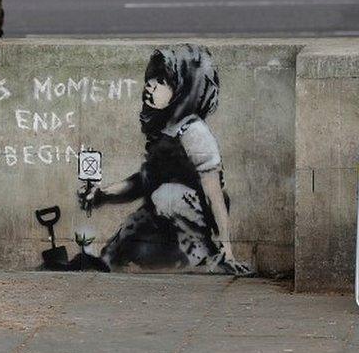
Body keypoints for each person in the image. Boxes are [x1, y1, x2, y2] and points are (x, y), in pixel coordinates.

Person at [78, 44, 254, 276]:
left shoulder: (194, 133)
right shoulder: (166, 132)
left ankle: (204, 256)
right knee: (127, 234)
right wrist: (103, 194)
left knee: (165, 196)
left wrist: (227, 249)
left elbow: (214, 195)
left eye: (162, 81)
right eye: (151, 79)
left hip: (192, 226)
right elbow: (142, 181)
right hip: (164, 219)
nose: (150, 86)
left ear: (184, 88)